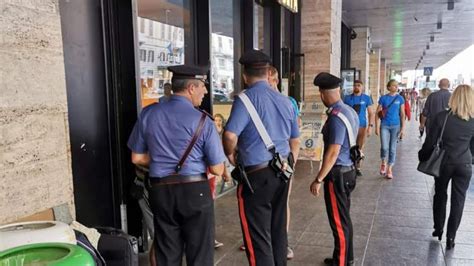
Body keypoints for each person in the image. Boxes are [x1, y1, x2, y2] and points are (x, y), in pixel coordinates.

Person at [127, 65, 226, 266]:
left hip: (161, 191)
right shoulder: (203, 121)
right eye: (203, 87)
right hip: (195, 191)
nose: (205, 92)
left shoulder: (149, 114)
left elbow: (136, 158)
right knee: (200, 253)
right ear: (191, 88)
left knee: (166, 251)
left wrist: (162, 161)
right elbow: (218, 169)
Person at [223, 50, 300, 266]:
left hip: (256, 174)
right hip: (282, 171)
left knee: (258, 236)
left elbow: (230, 134)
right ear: (268, 73)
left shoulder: (245, 100)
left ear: (245, 76)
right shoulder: (286, 101)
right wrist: (289, 162)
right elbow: (295, 138)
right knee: (278, 229)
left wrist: (230, 154)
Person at [309, 72, 359, 266]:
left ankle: (341, 262)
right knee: (344, 218)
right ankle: (346, 256)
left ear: (322, 94)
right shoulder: (349, 111)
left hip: (337, 174)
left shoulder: (336, 117)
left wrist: (319, 179)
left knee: (338, 222)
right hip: (349, 171)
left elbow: (333, 152)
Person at [419, 84, 474, 250]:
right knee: (459, 200)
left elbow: (430, 142)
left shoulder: (442, 117)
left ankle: (439, 228)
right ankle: (451, 237)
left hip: (444, 163)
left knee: (440, 194)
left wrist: (423, 156)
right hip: (464, 164)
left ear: (453, 97)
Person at [268, 65, 298, 260]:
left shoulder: (289, 102)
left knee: (282, 203)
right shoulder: (254, 100)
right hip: (262, 163)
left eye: (267, 80)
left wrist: (291, 161)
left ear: (275, 80)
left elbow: (295, 135)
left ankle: (282, 242)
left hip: (282, 163)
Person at [343, 79, 374, 176]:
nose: (356, 87)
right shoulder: (347, 98)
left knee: (359, 147)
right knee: (349, 146)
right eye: (355, 85)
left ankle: (358, 167)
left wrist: (370, 126)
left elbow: (371, 113)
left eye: (359, 85)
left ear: (362, 87)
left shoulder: (366, 98)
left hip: (362, 126)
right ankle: (350, 166)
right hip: (350, 126)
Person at [375, 80, 406, 179]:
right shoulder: (383, 98)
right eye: (393, 85)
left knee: (392, 148)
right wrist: (376, 126)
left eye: (397, 86)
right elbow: (377, 113)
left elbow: (402, 114)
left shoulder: (400, 98)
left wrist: (402, 129)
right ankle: (383, 162)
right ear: (389, 87)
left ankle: (389, 169)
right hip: (384, 125)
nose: (396, 87)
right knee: (384, 147)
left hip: (395, 126)